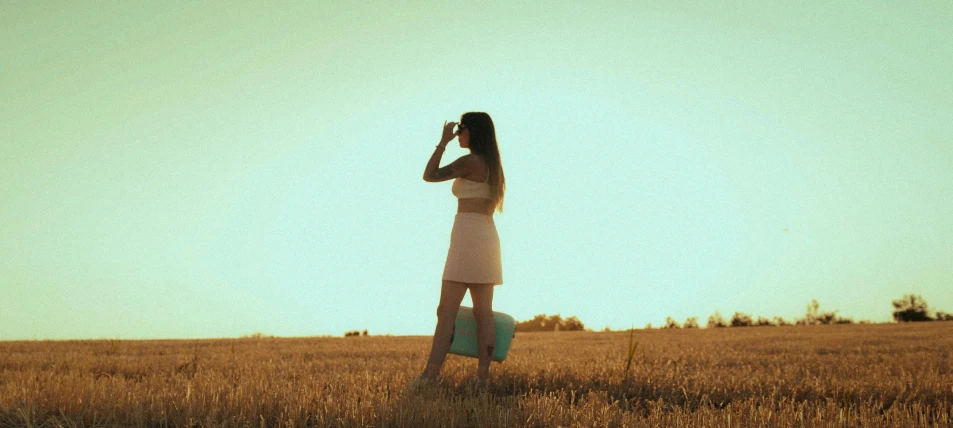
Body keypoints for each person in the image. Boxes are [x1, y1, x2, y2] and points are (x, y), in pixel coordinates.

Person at [415, 112, 506, 386]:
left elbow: (429, 175)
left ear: (473, 131)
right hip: (487, 237)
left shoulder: (470, 161)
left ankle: (430, 376)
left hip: (467, 237)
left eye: (461, 129)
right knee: (484, 313)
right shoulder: (493, 165)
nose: (457, 134)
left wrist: (441, 142)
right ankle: (482, 379)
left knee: (446, 311)